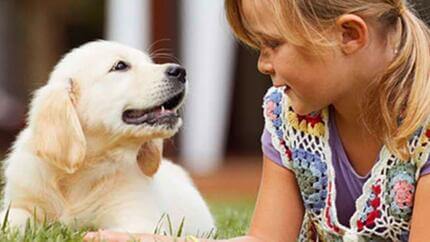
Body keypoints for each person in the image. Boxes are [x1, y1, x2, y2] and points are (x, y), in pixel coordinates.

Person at [84, 0, 430, 241]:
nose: (262, 64)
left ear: (350, 35)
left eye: (272, 44)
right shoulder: (289, 116)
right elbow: (266, 238)